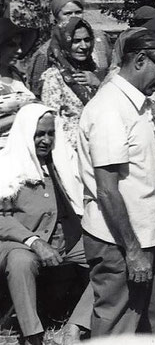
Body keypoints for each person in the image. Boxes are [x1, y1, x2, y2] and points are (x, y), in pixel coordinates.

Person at [78, 29, 155, 335]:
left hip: (147, 234)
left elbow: (145, 179)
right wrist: (133, 251)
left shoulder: (140, 105)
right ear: (140, 60)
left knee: (150, 323)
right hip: (119, 241)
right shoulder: (110, 108)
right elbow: (107, 190)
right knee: (116, 327)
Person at [0, 104, 91, 345]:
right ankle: (32, 335)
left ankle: (77, 325)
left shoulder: (62, 162)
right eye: (39, 134)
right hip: (19, 242)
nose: (46, 140)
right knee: (21, 262)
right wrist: (34, 241)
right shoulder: (7, 164)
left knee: (112, 256)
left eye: (51, 134)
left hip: (66, 240)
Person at [26, 0, 111, 95]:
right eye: (68, 13)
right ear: (56, 18)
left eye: (78, 12)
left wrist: (98, 82)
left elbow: (112, 73)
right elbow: (37, 92)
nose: (74, 17)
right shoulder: (46, 53)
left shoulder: (100, 40)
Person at [40, 17, 101, 151]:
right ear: (64, 43)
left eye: (87, 40)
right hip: (72, 151)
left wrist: (98, 84)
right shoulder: (54, 77)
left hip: (98, 146)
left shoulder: (93, 72)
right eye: (76, 41)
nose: (84, 46)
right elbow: (52, 120)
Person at [0, 18, 37, 149]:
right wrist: (21, 116)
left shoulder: (17, 74)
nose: (19, 50)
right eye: (12, 45)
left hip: (25, 149)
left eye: (20, 44)